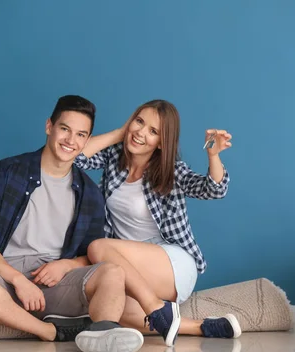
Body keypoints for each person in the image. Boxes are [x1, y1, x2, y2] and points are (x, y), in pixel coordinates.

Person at [0, 95, 188, 352]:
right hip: (1, 277)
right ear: (49, 126)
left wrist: (65, 265)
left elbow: (87, 255)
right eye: (65, 129)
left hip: (53, 286)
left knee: (112, 272)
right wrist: (17, 280)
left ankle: (103, 331)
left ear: (87, 140)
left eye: (81, 135)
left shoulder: (90, 194)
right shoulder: (4, 173)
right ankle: (48, 331)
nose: (71, 141)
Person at [74, 99, 241, 339]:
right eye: (139, 122)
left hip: (171, 263)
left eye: (153, 131)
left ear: (162, 142)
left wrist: (213, 156)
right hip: (132, 266)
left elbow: (213, 189)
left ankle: (155, 306)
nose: (141, 133)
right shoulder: (114, 159)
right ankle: (201, 327)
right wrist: (121, 133)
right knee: (111, 306)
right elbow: (74, 154)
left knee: (98, 248)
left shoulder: (171, 171)